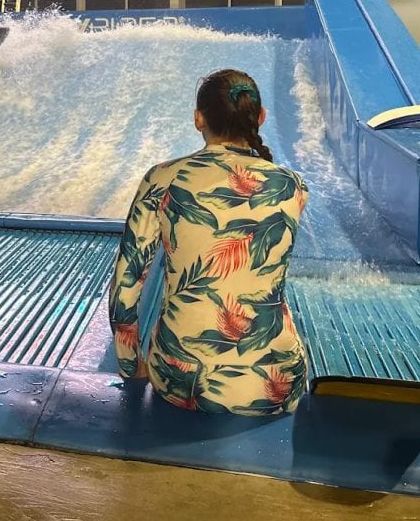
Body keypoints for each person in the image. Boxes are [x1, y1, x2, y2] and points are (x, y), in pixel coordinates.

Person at [109, 68, 310, 416]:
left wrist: (132, 367)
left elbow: (125, 290)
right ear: (260, 117)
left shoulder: (162, 178)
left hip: (181, 380)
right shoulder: (293, 185)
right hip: (275, 382)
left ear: (198, 119)